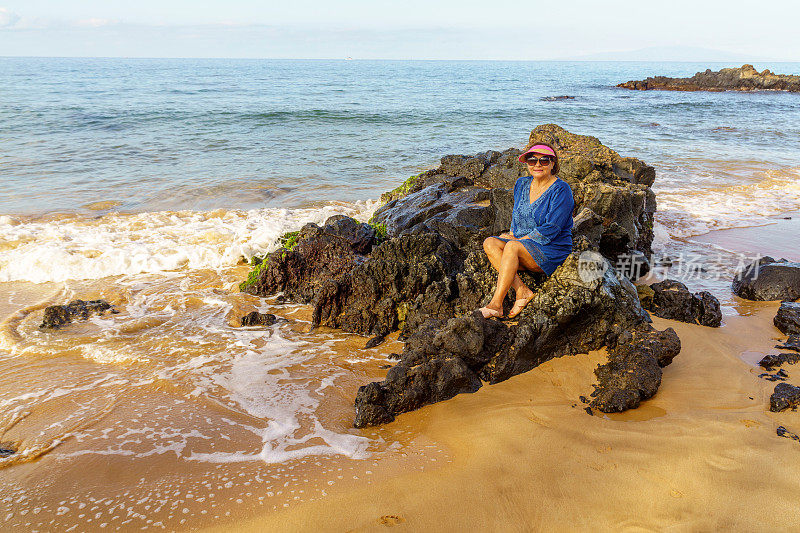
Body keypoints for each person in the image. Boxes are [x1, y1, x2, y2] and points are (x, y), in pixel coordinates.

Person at [479, 143, 574, 319]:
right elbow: (517, 215)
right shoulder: (521, 184)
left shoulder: (562, 190)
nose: (537, 164)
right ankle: (522, 290)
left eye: (544, 160)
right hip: (523, 244)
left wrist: (517, 241)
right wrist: (513, 234)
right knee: (490, 243)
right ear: (527, 163)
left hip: (552, 248)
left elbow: (553, 228)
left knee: (512, 247)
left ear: (553, 164)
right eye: (532, 160)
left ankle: (496, 305)